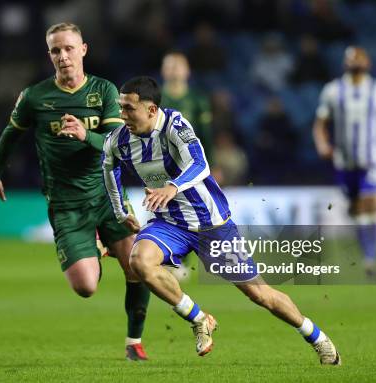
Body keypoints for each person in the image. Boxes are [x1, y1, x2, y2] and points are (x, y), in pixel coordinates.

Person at [102, 76, 341, 364]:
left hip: (211, 225)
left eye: (129, 108)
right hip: (170, 223)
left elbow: (200, 164)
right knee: (139, 261)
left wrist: (173, 187)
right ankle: (199, 318)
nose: (122, 115)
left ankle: (316, 337)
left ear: (151, 110)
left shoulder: (175, 125)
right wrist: (120, 211)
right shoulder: (119, 139)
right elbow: (108, 167)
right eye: (120, 107)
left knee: (260, 295)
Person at [0, 23, 150, 361]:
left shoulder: (104, 91)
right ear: (49, 55)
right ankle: (94, 248)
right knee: (86, 288)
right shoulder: (35, 97)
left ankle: (134, 342)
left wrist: (85, 136)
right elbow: (10, 134)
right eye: (56, 50)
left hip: (107, 196)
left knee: (138, 266)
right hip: (66, 205)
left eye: (69, 48)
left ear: (83, 50)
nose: (63, 56)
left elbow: (119, 145)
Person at [312, 46, 376, 277]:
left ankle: (370, 257)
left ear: (368, 62)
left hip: (371, 160)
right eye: (353, 58)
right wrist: (322, 145)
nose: (357, 61)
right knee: (357, 211)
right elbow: (320, 124)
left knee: (368, 203)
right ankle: (368, 251)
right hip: (344, 162)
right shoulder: (333, 91)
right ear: (345, 63)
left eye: (361, 57)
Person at [160, 51, 214, 164]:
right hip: (160, 162)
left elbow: (205, 134)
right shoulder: (153, 99)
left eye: (178, 66)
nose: (174, 70)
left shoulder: (198, 99)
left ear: (187, 70)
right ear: (163, 70)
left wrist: (211, 163)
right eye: (170, 66)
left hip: (191, 161)